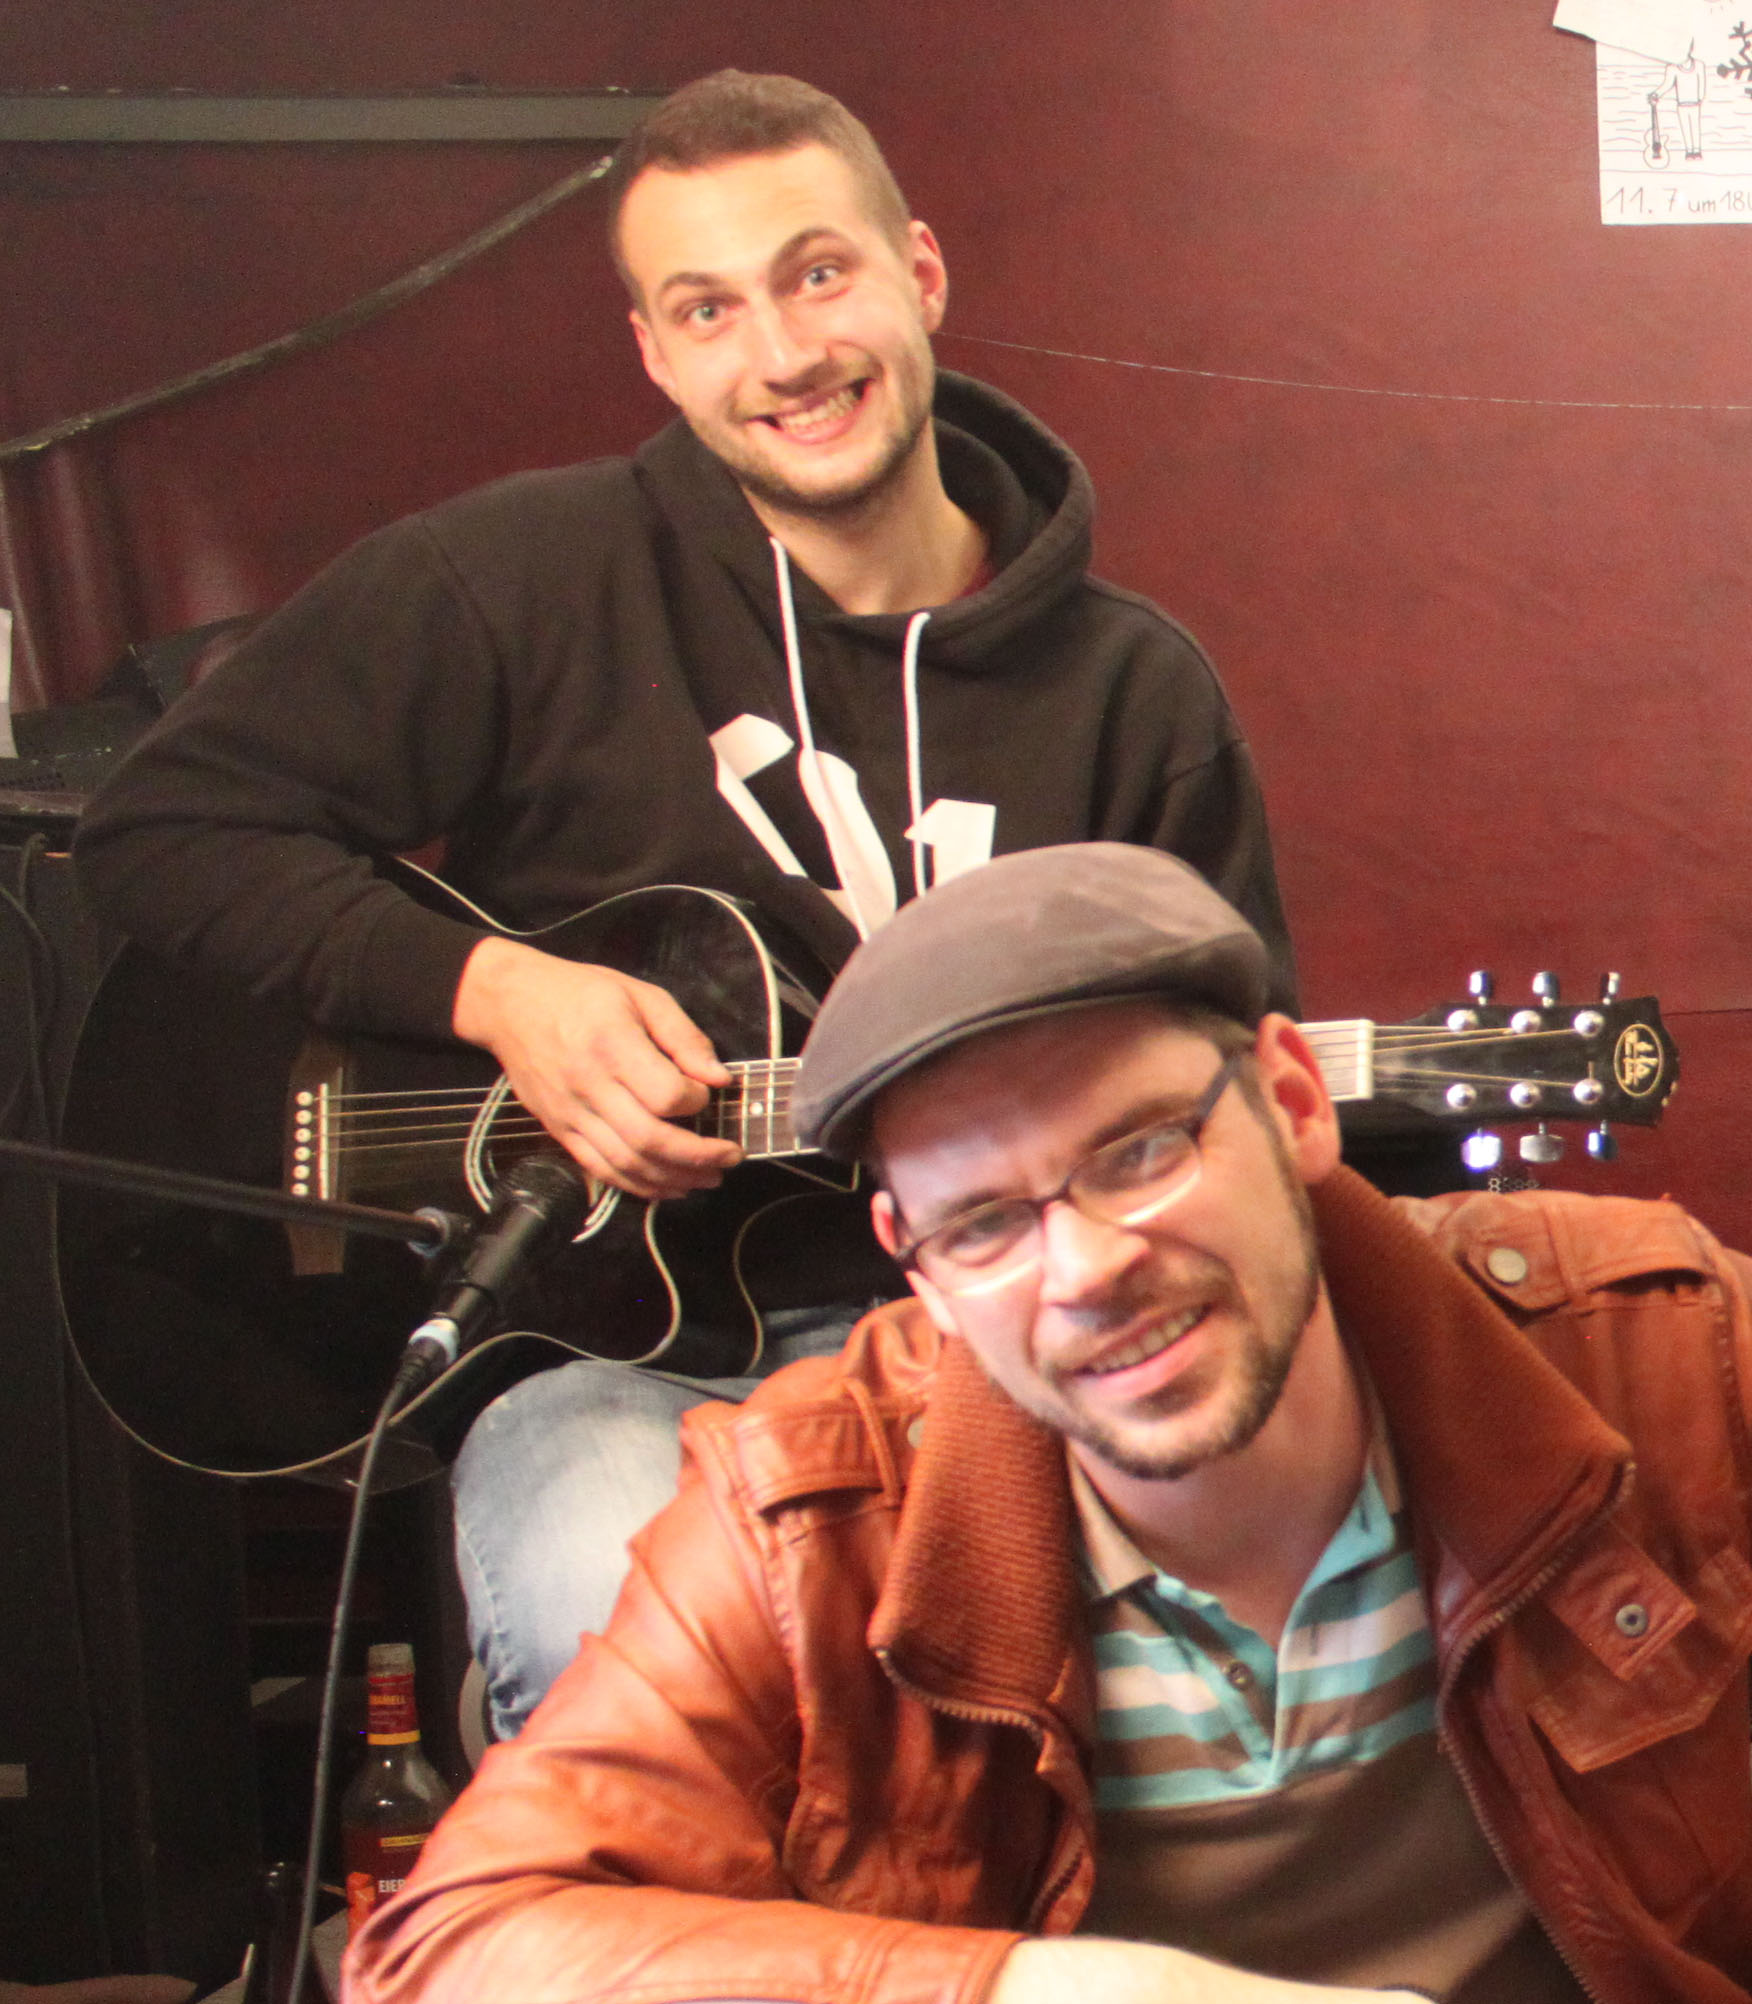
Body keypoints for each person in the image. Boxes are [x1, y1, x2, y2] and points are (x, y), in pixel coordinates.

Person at [345, 844, 1752, 2004]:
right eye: (988, 1224)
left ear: (1293, 1104)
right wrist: (1057, 1998)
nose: (1087, 1269)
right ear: (914, 1264)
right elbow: (452, 1947)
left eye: (1141, 1149)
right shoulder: (805, 1512)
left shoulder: (1624, 1336)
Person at [75, 69, 1291, 1744]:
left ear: (920, 274)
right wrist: (496, 990)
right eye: (709, 308)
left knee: (1124, 1664)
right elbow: (161, 830)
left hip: (1013, 1345)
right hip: (603, 1363)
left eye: (818, 274)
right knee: (619, 1601)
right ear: (653, 351)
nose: (782, 355)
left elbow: (1239, 1107)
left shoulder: (1133, 695)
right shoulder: (516, 580)